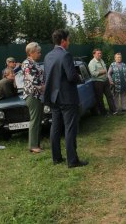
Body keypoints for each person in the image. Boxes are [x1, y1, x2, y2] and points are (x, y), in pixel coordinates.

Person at [44, 29, 88, 168]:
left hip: (54, 98)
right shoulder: (66, 55)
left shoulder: (47, 56)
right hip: (67, 98)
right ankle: (72, 160)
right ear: (63, 41)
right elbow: (71, 76)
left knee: (55, 128)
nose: (69, 42)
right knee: (70, 129)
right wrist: (80, 78)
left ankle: (56, 158)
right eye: (68, 40)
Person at [22, 42, 45, 154]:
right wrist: (43, 87)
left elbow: (40, 77)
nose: (40, 54)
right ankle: (33, 145)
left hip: (38, 94)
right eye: (38, 52)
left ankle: (37, 144)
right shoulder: (27, 63)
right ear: (31, 52)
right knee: (35, 120)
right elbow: (32, 79)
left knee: (38, 119)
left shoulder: (34, 63)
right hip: (32, 94)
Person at [88, 49, 116, 116]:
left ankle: (114, 111)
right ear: (94, 54)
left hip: (105, 81)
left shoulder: (101, 60)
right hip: (98, 82)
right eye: (98, 53)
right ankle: (103, 113)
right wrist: (102, 72)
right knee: (100, 98)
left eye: (100, 53)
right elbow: (93, 73)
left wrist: (108, 79)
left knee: (109, 96)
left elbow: (106, 71)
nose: (100, 54)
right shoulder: (92, 63)